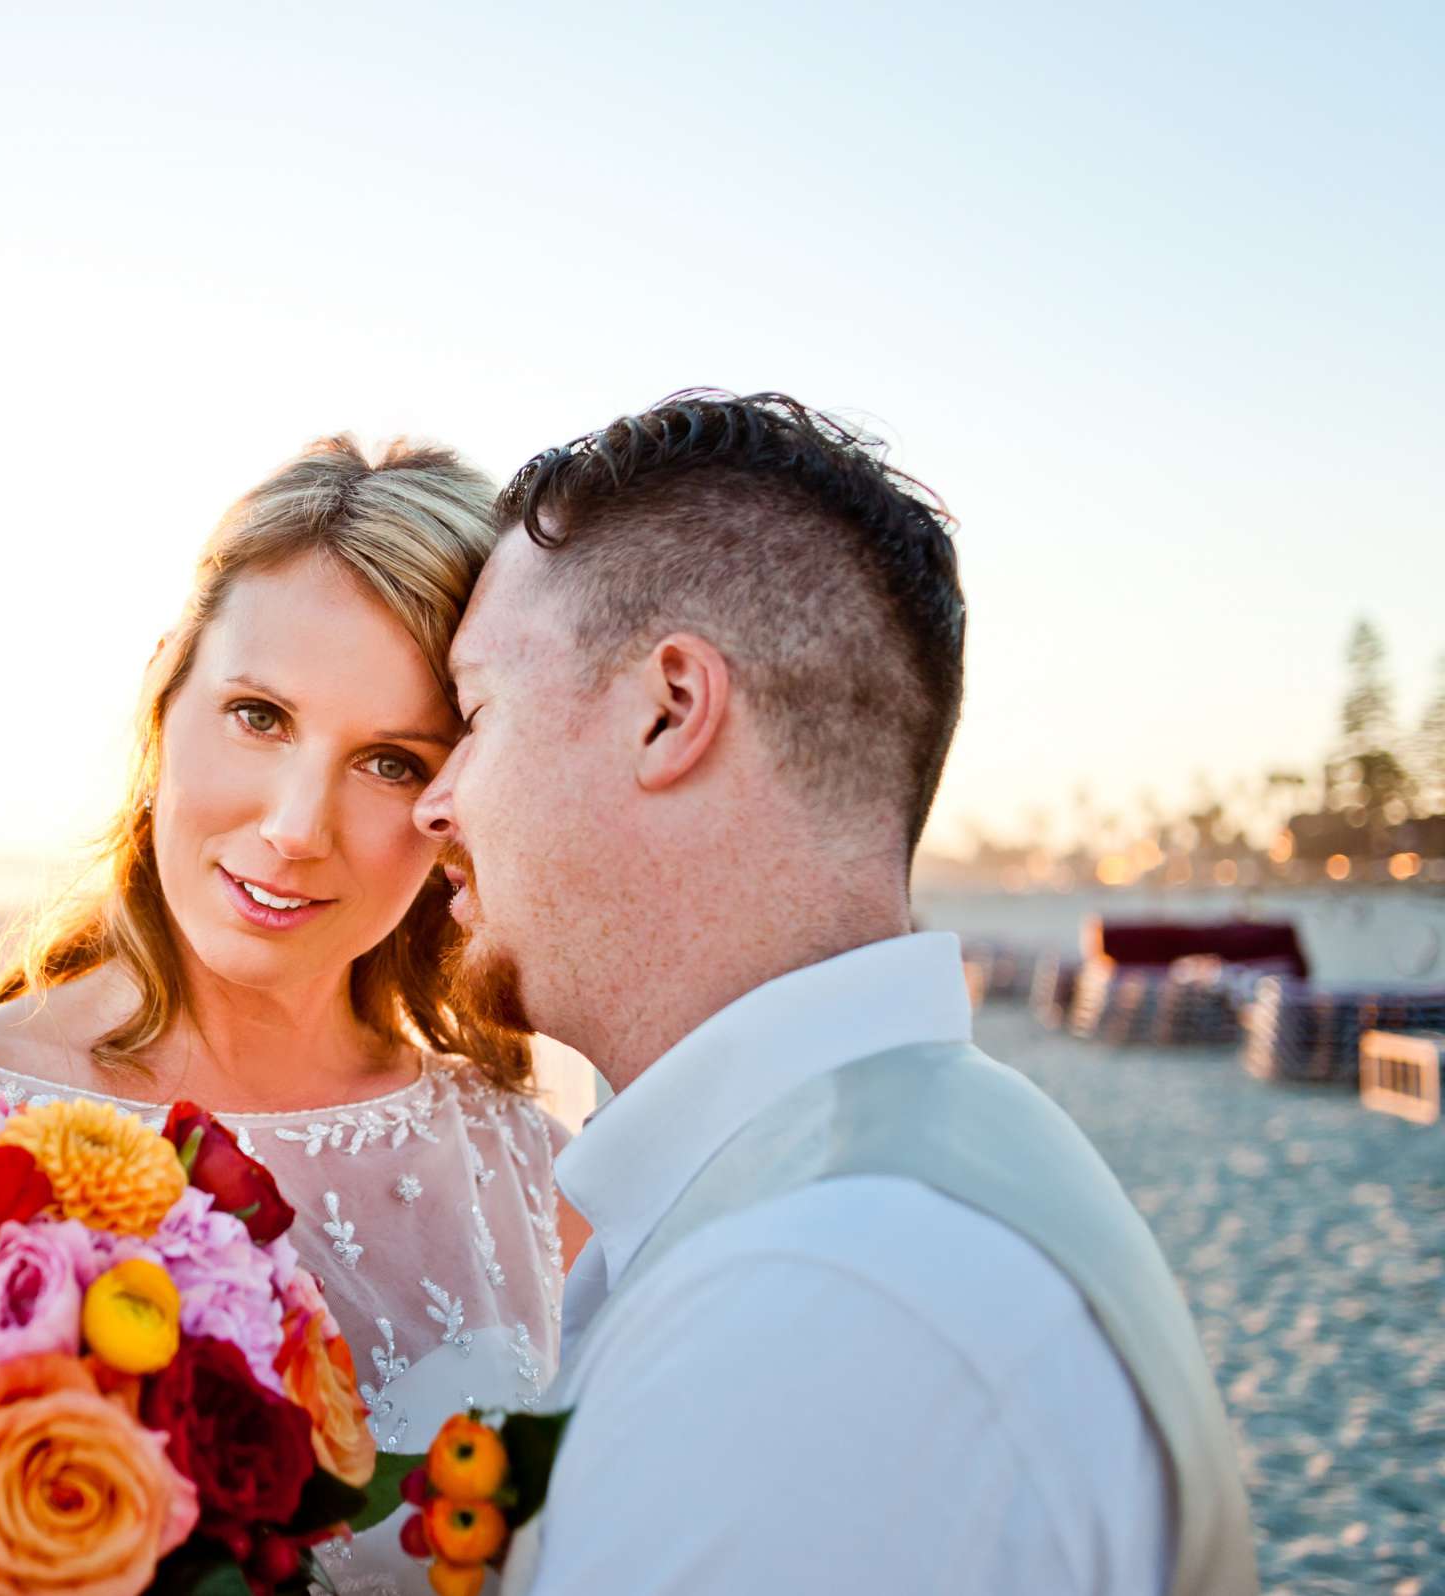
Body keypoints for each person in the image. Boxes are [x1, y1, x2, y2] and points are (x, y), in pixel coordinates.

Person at [0, 437, 584, 1596]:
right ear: (166, 702)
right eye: (260, 715)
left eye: (387, 759)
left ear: (456, 798)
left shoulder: (541, 1184)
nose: (293, 825)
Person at [413, 391, 1257, 1595]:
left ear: (670, 711)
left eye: (477, 715)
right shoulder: (907, 1173)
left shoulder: (820, 1311)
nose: (431, 803)